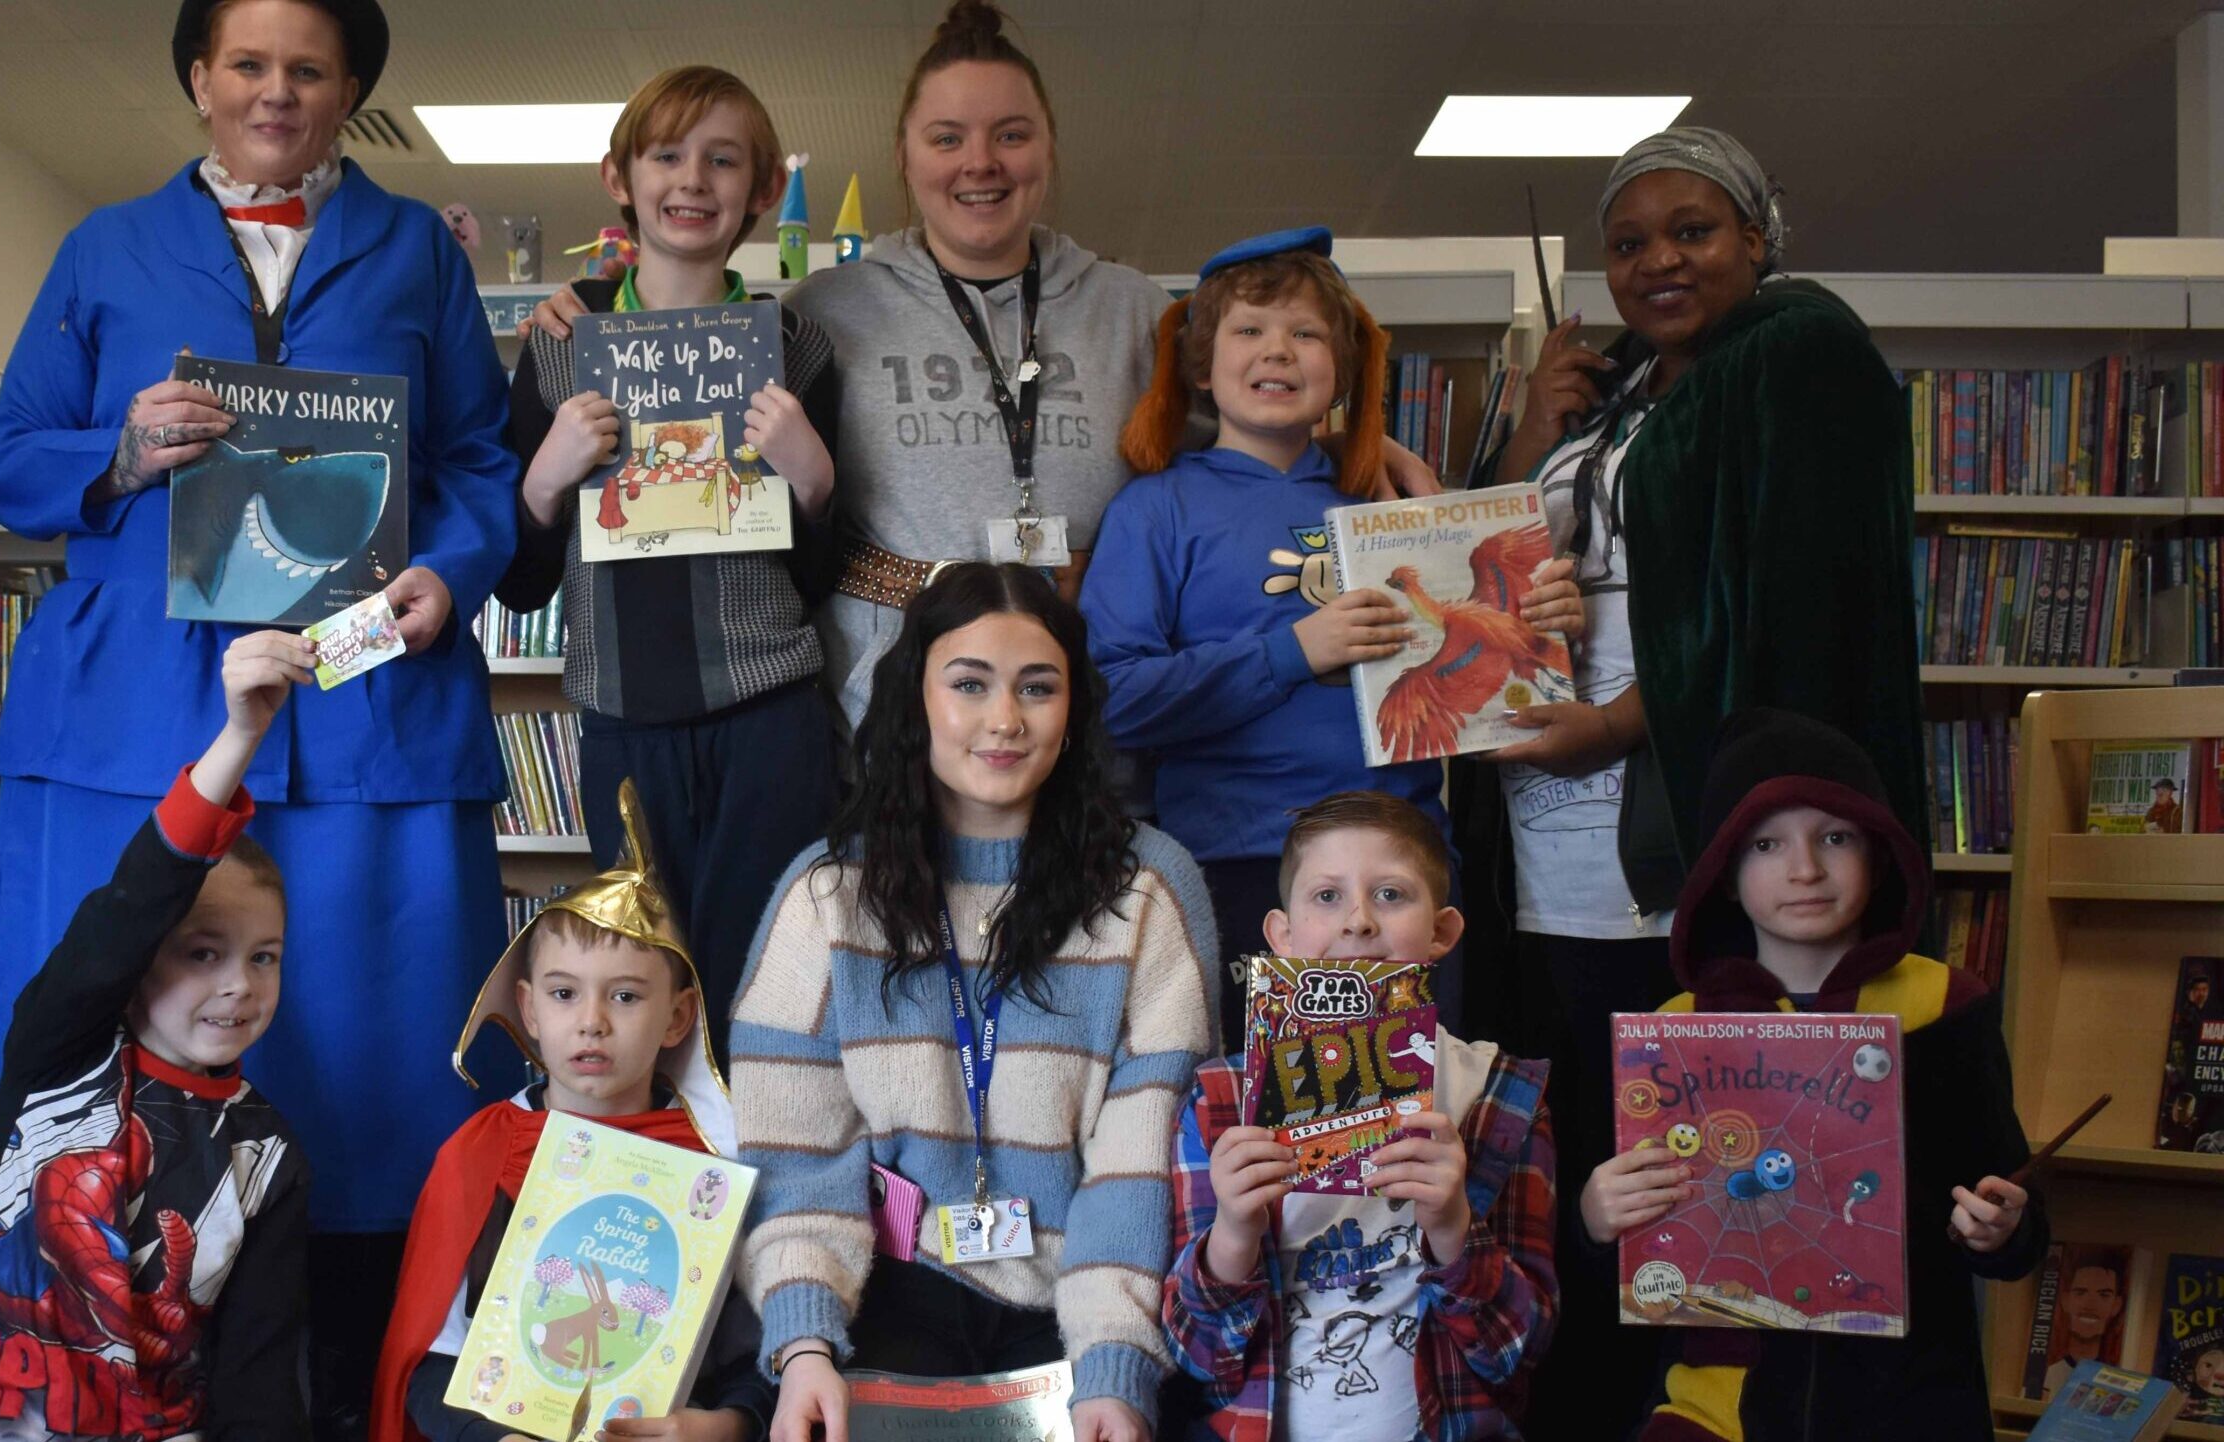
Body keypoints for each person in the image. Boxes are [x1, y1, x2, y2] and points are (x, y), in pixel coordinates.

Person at [0, 0, 515, 1426]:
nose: (277, 92)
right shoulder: (100, 248)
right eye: (248, 64)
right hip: (133, 711)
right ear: (200, 78)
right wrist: (120, 449)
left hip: (366, 704)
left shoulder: (416, 257)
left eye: (310, 69)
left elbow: (480, 461)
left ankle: (357, 1374)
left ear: (352, 92)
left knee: (378, 1055)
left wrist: (451, 575)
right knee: (102, 1037)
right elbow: (7, 455)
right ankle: (72, 1350)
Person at [519, 1, 1439, 724]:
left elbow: (1247, 438)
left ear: (1047, 147)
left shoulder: (1131, 309)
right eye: (947, 138)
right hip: (889, 709)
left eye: (1010, 134)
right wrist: (594, 304)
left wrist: (1362, 448)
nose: (980, 164)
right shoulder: (821, 314)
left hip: (1083, 702)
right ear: (906, 157)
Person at [1467, 125, 1927, 1434]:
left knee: (1701, 1214)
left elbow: (1774, 617)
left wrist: (1611, 724)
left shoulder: (1790, 356)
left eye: (1694, 230)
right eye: (1629, 243)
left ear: (1760, 239)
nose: (1661, 259)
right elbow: (1493, 584)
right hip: (1551, 863)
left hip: (1683, 860)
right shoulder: (1626, 398)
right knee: (1576, 1207)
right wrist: (1529, 427)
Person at [731, 563, 1218, 1442]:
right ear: (915, 700)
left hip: (1092, 1308)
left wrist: (1113, 1368)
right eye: (969, 685)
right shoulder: (824, 895)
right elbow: (797, 1157)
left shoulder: (1148, 889)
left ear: (1074, 714)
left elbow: (1143, 1163)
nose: (1004, 721)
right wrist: (805, 1343)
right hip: (887, 1296)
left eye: (1039, 688)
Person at [1084, 226, 1580, 1034]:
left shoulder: (1399, 501)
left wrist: (1548, 626)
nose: (1277, 352)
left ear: (1345, 369)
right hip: (1238, 861)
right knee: (1256, 1120)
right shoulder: (1156, 509)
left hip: (1401, 859)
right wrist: (1296, 652)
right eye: (1249, 330)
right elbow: (1115, 703)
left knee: (1405, 1120)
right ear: (1201, 366)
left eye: (1306, 334)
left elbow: (1498, 697)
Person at [495, 65, 843, 1058]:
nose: (693, 179)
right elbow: (521, 581)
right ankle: (669, 1201)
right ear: (619, 175)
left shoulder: (795, 343)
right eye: (666, 154)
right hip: (622, 724)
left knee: (772, 988)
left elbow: (819, 576)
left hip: (768, 715)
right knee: (636, 997)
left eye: (723, 159)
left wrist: (812, 478)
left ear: (764, 188)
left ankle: (780, 1209)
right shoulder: (561, 341)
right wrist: (544, 479)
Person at [0, 631, 317, 1440]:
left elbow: (256, 1372)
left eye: (264, 957)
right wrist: (238, 741)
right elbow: (129, 905)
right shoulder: (60, 1056)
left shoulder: (270, 1155)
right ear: (136, 963)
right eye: (202, 954)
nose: (239, 983)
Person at [1577, 708, 2045, 1441]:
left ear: (1881, 852)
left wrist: (2002, 1230)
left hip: (1907, 1401)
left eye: (1835, 837)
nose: (1804, 869)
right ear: (1724, 873)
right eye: (1765, 844)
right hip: (1716, 1404)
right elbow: (1635, 1258)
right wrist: (1596, 1220)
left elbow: (2014, 1212)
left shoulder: (1946, 1006)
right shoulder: (1676, 1027)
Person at [372, 781, 768, 1442]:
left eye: (625, 997)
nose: (591, 1023)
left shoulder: (714, 1165)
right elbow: (428, 1360)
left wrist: (723, 1426)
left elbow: (755, 1355)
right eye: (563, 994)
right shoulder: (482, 1154)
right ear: (527, 1010)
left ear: (678, 1018)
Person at [1163, 791, 1556, 1442]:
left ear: (1443, 934)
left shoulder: (1501, 1096)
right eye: (1326, 896)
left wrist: (1454, 1226)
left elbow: (1520, 1348)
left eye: (1392, 894)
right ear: (1280, 937)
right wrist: (1233, 1232)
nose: (1359, 922)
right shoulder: (1221, 1101)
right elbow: (1198, 1358)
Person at [2041, 1250, 2128, 1396]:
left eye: (2103, 1295)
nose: (2090, 1304)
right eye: (2080, 1292)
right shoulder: (2047, 1376)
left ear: (2116, 1305)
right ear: (2065, 1300)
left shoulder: (2118, 1382)